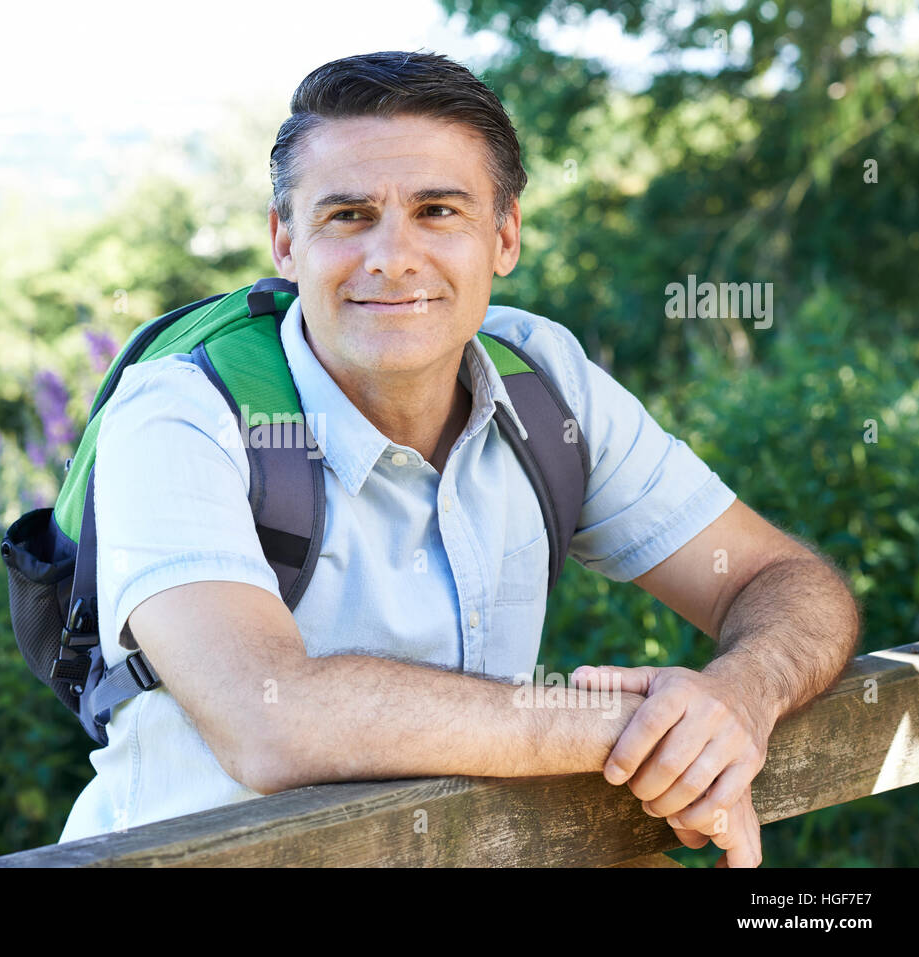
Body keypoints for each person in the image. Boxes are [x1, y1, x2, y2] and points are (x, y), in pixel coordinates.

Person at [56, 51, 860, 866]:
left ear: (504, 236)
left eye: (438, 210)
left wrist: (740, 698)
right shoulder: (181, 414)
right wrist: (650, 731)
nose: (392, 257)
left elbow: (781, 580)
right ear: (285, 241)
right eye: (347, 215)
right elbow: (270, 720)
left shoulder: (547, 382)